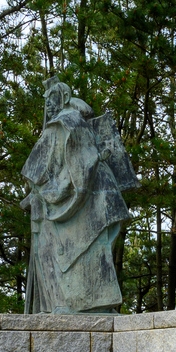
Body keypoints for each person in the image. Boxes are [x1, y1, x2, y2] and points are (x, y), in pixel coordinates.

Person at [23, 79, 133, 314]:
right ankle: (81, 305)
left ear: (64, 99)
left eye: (51, 100)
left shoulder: (63, 124)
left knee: (67, 250)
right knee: (91, 251)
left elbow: (36, 171)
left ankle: (73, 304)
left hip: (89, 201)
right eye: (46, 102)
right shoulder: (78, 124)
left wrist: (47, 192)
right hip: (104, 198)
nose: (48, 106)